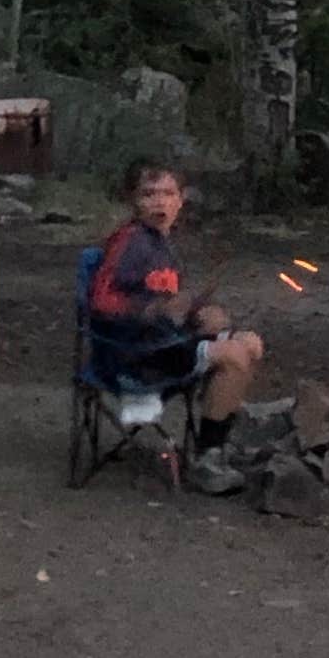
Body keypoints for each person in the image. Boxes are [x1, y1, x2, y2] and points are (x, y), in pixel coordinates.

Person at [86, 159, 262, 446]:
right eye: (149, 194)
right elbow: (101, 303)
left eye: (168, 194)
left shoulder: (161, 243)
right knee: (233, 356)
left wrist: (196, 315)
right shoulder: (130, 242)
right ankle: (209, 456)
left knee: (251, 343)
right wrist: (151, 310)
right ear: (132, 200)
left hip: (165, 342)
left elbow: (166, 306)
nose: (160, 202)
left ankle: (217, 437)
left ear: (181, 201)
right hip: (134, 354)